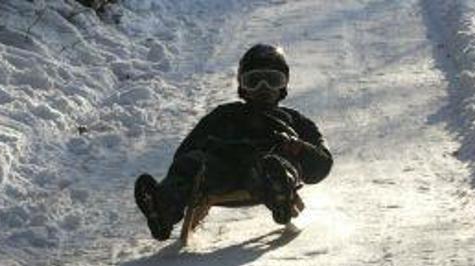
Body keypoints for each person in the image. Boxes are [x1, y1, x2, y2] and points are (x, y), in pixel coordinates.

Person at [134, 43, 333, 241]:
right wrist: (200, 160)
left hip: (264, 173)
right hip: (223, 173)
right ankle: (164, 207)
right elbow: (184, 153)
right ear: (242, 85)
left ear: (283, 84)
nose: (263, 88)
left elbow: (323, 162)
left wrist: (300, 148)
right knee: (191, 163)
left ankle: (279, 191)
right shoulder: (224, 115)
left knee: (275, 164)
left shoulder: (295, 120)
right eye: (253, 81)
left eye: (273, 80)